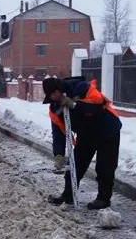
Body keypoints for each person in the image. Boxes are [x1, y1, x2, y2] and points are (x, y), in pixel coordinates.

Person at [43, 76, 122, 210]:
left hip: (107, 130)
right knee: (75, 165)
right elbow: (58, 134)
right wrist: (58, 155)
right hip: (86, 135)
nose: (54, 96)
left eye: (55, 92)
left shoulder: (81, 88)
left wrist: (74, 105)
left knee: (105, 167)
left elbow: (98, 105)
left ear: (59, 88)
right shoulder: (55, 109)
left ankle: (103, 199)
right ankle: (68, 195)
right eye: (51, 95)